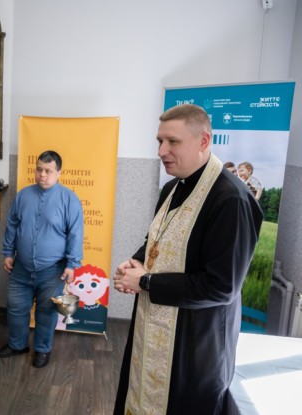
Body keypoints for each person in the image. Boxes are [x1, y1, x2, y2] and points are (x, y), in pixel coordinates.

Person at [113, 104, 263, 414]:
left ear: (204, 141)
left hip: (195, 345)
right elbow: (158, 239)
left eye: (173, 141)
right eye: (159, 141)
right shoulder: (172, 186)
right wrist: (136, 262)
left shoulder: (231, 199)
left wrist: (146, 282)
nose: (161, 151)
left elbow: (221, 287)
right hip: (153, 326)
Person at [0, 150, 84, 368]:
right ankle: (17, 345)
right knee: (16, 308)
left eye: (48, 171)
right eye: (39, 170)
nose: (42, 175)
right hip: (21, 267)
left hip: (53, 270)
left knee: (46, 312)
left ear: (59, 173)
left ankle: (43, 350)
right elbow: (12, 225)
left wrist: (72, 264)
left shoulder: (70, 199)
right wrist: (8, 253)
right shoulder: (23, 196)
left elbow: (75, 234)